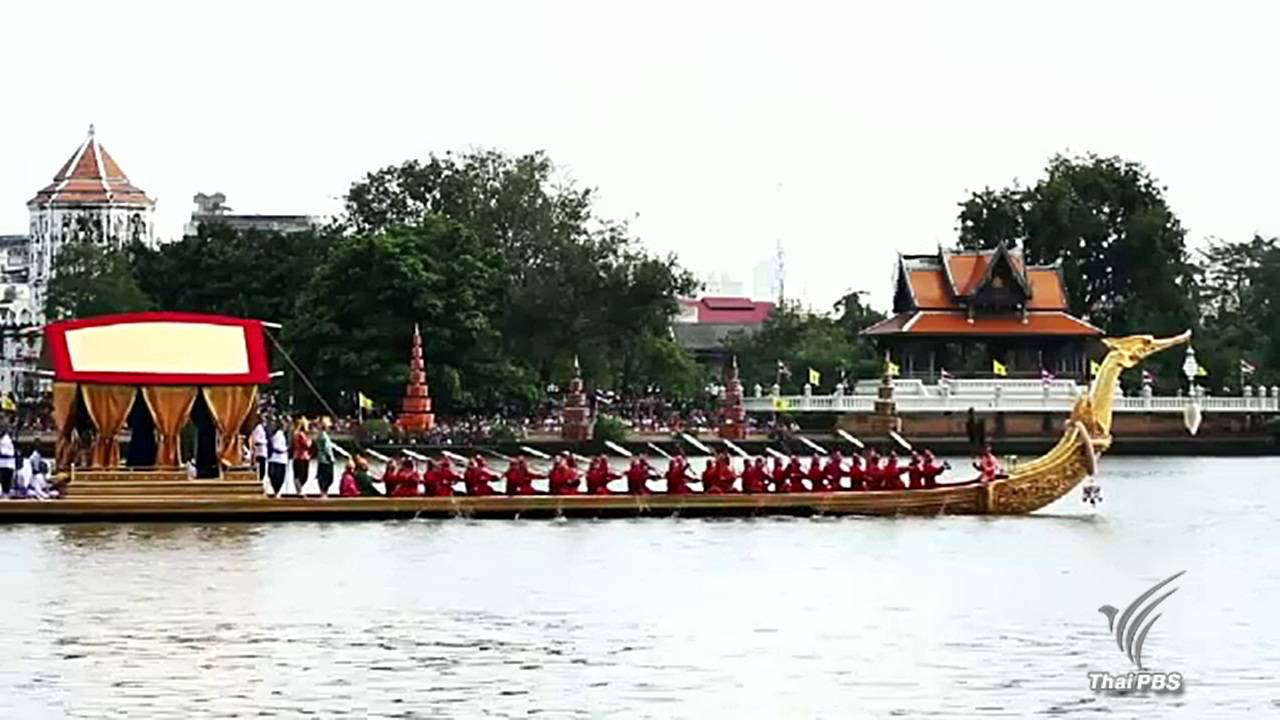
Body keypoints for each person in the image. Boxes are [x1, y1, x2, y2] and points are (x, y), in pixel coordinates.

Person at [313, 416, 336, 497]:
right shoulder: (323, 436)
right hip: (326, 460)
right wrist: (331, 458)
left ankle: (323, 492)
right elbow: (327, 449)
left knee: (324, 477)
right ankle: (323, 493)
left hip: (322, 459)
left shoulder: (322, 435)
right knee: (327, 477)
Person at [291, 417, 313, 495]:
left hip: (297, 456)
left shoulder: (295, 434)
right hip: (302, 457)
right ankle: (299, 490)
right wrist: (310, 440)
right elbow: (307, 444)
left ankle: (299, 489)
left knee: (298, 474)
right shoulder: (301, 435)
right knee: (303, 475)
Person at [267, 422, 289, 497]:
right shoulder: (278, 434)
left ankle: (277, 491)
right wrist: (285, 449)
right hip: (277, 458)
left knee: (277, 477)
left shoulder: (280, 434)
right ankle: (276, 491)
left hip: (279, 459)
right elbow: (276, 446)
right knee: (277, 476)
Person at [0, 428, 15, 496]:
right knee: (7, 481)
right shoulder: (7, 440)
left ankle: (5, 492)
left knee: (5, 480)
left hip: (5, 463)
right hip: (7, 463)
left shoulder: (5, 440)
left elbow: (4, 452)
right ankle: (6, 492)